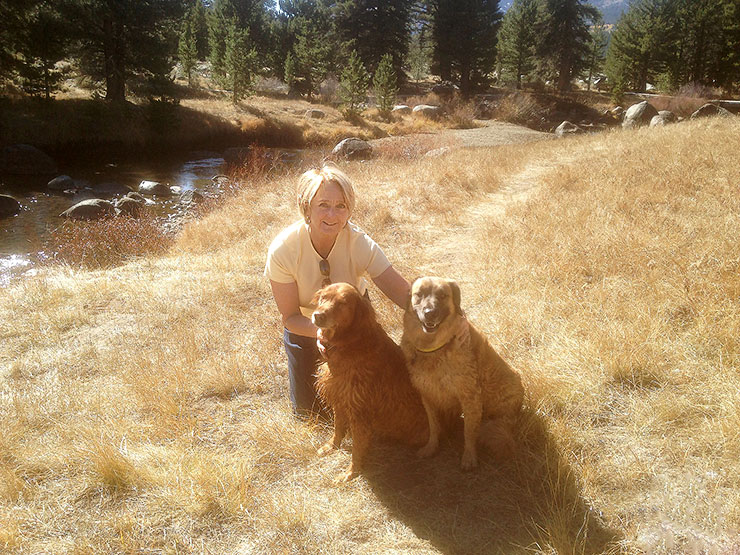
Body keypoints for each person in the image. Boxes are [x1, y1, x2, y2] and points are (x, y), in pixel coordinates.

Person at [265, 165, 410, 417]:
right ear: (306, 206)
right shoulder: (283, 250)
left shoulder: (359, 243)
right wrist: (321, 332)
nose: (332, 214)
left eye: (341, 205)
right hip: (306, 326)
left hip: (354, 323)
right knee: (309, 412)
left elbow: (400, 291)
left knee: (381, 399)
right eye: (323, 205)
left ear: (349, 209)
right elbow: (289, 317)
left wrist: (443, 315)